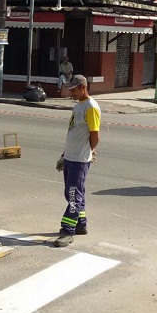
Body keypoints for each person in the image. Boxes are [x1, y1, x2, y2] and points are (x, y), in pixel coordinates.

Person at [54, 75, 100, 247]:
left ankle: (68, 230)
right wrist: (65, 155)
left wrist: (89, 151)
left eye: (73, 90)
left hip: (79, 159)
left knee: (73, 194)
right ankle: (81, 224)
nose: (70, 92)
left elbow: (95, 135)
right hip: (71, 157)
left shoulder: (91, 107)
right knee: (75, 192)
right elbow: (75, 134)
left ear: (83, 87)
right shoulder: (79, 106)